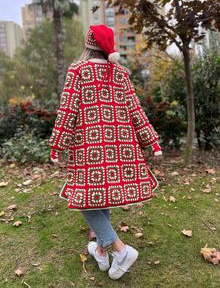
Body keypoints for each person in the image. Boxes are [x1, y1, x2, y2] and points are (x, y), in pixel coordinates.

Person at [49, 24, 162, 280]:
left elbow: (68, 110)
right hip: (119, 147)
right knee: (101, 196)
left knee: (84, 198)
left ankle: (119, 249)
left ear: (88, 45)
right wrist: (151, 141)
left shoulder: (78, 69)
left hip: (89, 148)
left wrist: (57, 144)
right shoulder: (120, 73)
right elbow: (135, 109)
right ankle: (101, 252)